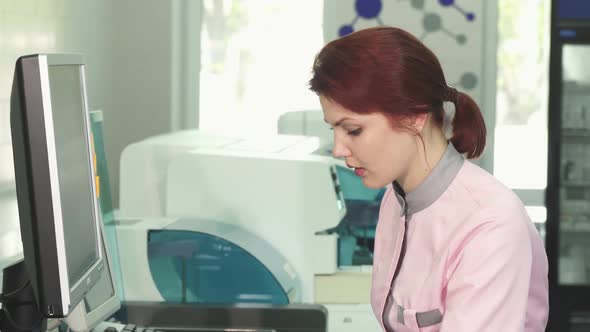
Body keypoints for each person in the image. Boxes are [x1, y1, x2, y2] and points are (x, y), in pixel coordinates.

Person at [308, 26, 548, 331]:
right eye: (334, 130)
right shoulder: (395, 200)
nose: (339, 149)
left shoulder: (490, 226)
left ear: (414, 116)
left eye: (353, 130)